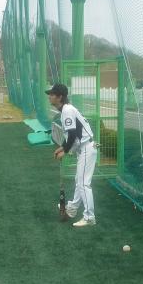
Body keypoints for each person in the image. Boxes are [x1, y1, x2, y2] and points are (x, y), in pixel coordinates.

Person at [46, 83, 97, 227]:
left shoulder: (67, 110)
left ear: (60, 97)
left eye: (52, 94)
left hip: (87, 148)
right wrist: (62, 147)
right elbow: (70, 134)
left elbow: (73, 134)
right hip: (85, 148)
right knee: (79, 181)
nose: (49, 97)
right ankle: (73, 208)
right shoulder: (66, 110)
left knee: (83, 183)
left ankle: (89, 217)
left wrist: (65, 151)